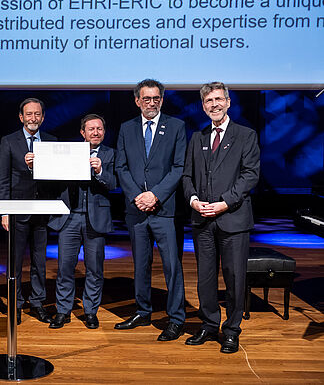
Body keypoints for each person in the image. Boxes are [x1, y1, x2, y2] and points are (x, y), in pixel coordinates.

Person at [182, 82, 260, 354]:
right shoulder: (197, 137)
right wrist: (193, 200)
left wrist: (224, 203)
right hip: (202, 219)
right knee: (205, 278)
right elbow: (187, 176)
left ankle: (231, 330)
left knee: (234, 277)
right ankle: (208, 324)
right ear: (203, 107)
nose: (214, 105)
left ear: (228, 102)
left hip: (233, 219)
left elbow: (250, 175)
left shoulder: (245, 135)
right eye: (208, 101)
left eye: (218, 99)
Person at [115, 79, 187, 341]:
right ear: (137, 101)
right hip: (136, 210)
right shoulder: (126, 128)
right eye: (146, 98)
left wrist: (155, 195)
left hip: (165, 210)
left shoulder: (177, 126)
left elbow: (179, 167)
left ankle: (176, 318)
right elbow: (121, 167)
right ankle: (143, 311)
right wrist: (138, 196)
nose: (152, 103)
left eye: (156, 98)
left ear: (162, 100)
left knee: (172, 266)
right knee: (141, 265)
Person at [48, 114, 116, 329]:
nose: (95, 132)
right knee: (65, 267)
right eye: (91, 129)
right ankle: (63, 311)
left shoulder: (110, 154)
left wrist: (100, 170)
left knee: (95, 268)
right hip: (69, 218)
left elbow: (114, 183)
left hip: (95, 219)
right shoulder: (69, 152)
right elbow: (53, 176)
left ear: (104, 132)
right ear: (82, 133)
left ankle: (90, 311)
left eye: (99, 129)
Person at [0, 97, 57, 324]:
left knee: (40, 262)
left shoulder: (51, 141)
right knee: (15, 262)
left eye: (37, 114)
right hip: (16, 212)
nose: (33, 118)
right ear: (21, 117)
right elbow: (3, 180)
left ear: (43, 117)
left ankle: (38, 302)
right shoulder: (9, 141)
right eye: (29, 114)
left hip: (41, 212)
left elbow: (55, 178)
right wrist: (4, 211)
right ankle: (16, 304)